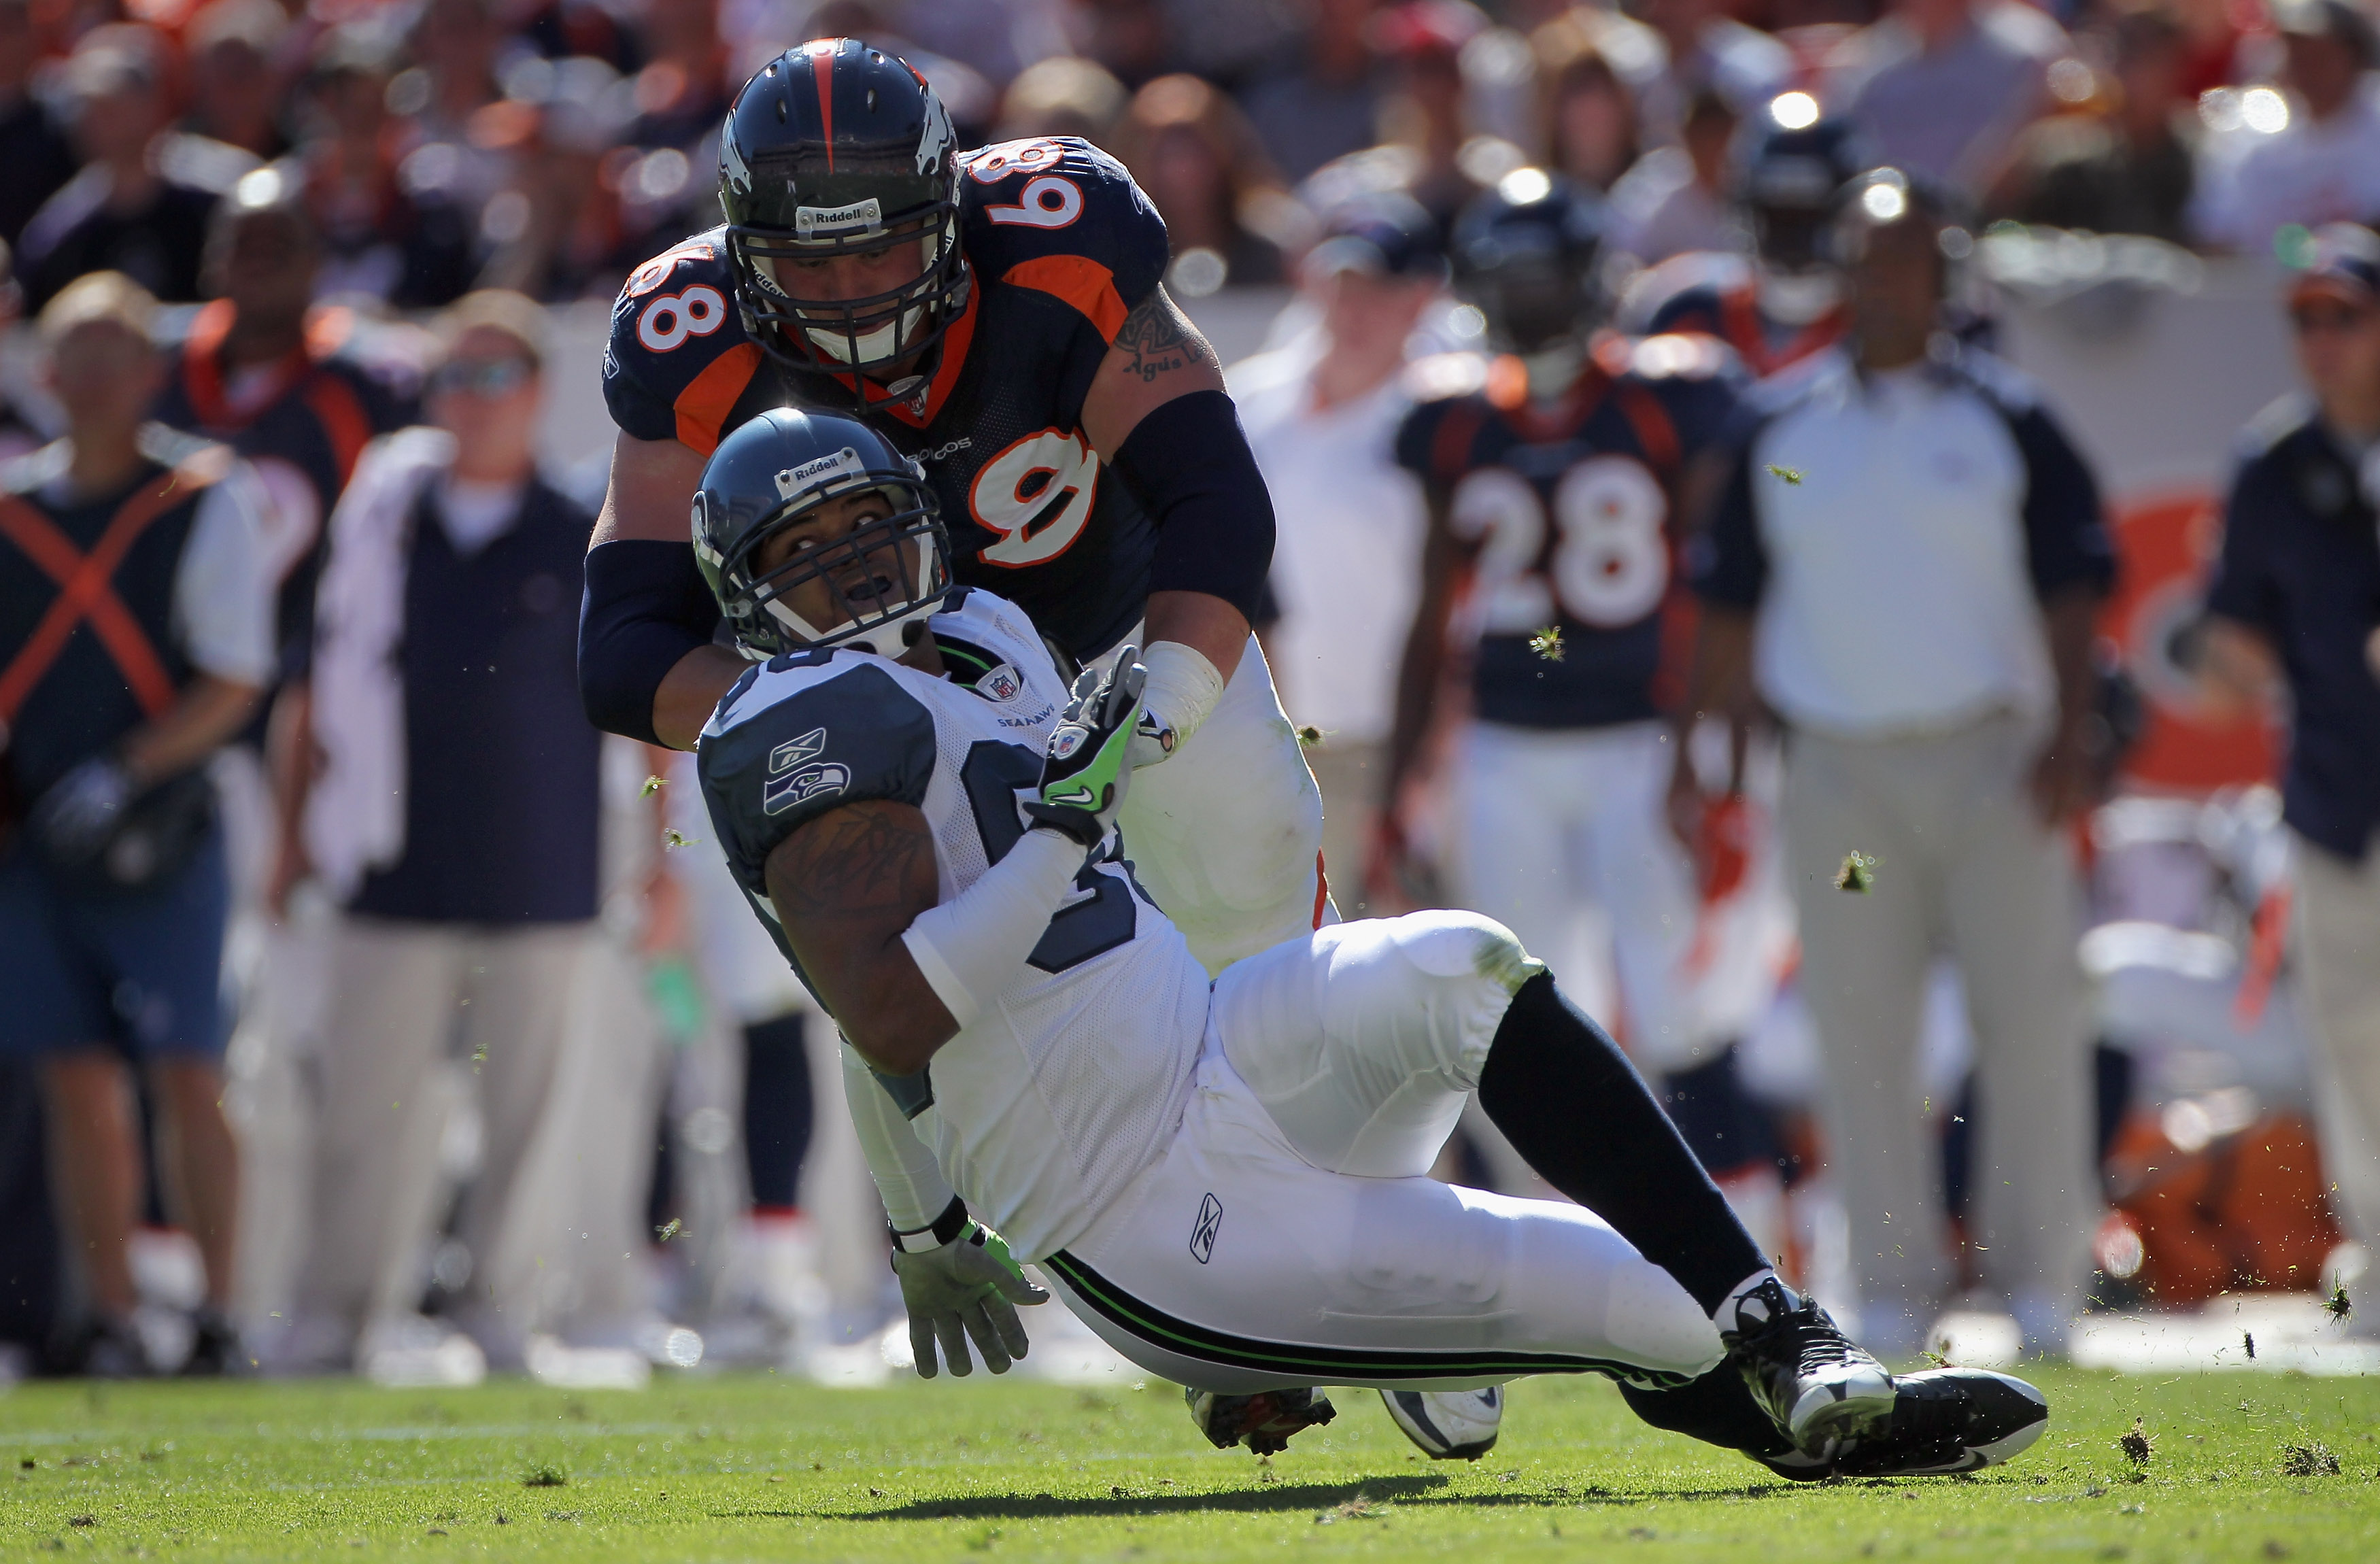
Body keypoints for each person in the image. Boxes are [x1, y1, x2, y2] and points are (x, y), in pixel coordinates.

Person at [685, 400, 2051, 1478]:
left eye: (863, 522)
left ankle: (1794, 1340)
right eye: (798, 553)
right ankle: (1818, 1439)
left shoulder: (982, 633)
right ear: (746, 592)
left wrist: (926, 1223)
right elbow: (888, 1017)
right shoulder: (793, 723)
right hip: (1142, 1212)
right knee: (1639, 1308)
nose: (848, 561)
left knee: (1458, 958)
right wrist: (1058, 834)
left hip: (1213, 1044)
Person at [581, 38, 1325, 983]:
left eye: (881, 249)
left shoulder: (1059, 236)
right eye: (811, 269)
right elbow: (621, 649)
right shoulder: (690, 335)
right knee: (965, 1033)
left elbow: (1213, 494)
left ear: (949, 211)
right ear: (746, 253)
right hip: (884, 707)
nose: (853, 298)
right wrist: (844, 715)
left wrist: (1162, 703)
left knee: (1261, 939)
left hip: (1122, 642)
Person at [1672, 168, 2115, 1357]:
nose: (1885, 281)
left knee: (2030, 1021)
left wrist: (2069, 737)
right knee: (1857, 1028)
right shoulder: (1780, 427)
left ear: (1943, 272)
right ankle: (1891, 1284)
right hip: (1839, 771)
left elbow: (2077, 591)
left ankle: (2038, 1284)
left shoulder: (2009, 419)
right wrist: (1688, 753)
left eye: (1907, 258)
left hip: (1993, 757)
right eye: (1866, 259)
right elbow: (1726, 601)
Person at [1381, 169, 1786, 1247]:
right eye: (1510, 278)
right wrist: (1397, 788)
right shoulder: (1457, 418)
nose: (1529, 297)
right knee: (1519, 1018)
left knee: (1676, 1010)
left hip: (1637, 741)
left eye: (1544, 276)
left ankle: (1738, 1248)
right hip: (1506, 749)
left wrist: (1705, 743)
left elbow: (1712, 589)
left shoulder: (1667, 395)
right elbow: (1432, 617)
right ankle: (1564, 1254)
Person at [277, 292, 605, 1372]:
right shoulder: (382, 520)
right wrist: (292, 837)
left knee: (529, 1116)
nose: (467, 402)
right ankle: (334, 1321)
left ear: (538, 394)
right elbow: (318, 687)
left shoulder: (581, 527)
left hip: (540, 862)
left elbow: (640, 702)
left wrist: (663, 871)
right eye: (450, 379)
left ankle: (503, 1316)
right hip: (392, 860)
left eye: (491, 378)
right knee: (364, 1111)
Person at [0, 272, 277, 1374]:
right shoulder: (13, 509)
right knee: (71, 1075)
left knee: (185, 1068)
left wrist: (126, 771)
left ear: (154, 372)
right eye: (82, 353)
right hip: (34, 839)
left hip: (163, 830)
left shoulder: (201, 494)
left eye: (123, 352)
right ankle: (108, 1315)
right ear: (47, 373)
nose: (102, 375)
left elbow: (235, 677)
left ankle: (218, 1314)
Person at [2192, 224, 2380, 1302]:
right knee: (2354, 1040)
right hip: (2333, 794)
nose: (2321, 340)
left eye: (2344, 316)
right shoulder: (2275, 461)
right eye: (2305, 318)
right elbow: (2235, 639)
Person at [1231, 194, 1446, 917]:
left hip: (1405, 749)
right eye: (1342, 285)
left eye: (1378, 289)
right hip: (1275, 748)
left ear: (1420, 298)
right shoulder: (1252, 402)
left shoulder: (1441, 417)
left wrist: (1433, 753)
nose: (1355, 309)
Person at [1637, 105, 1868, 379]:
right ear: (1747, 212)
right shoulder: (1686, 316)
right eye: (1778, 217)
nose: (1793, 240)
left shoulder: (1880, 332)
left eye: (1808, 217)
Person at [17, 26, 224, 309]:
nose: (95, 124)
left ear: (153, 107)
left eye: (111, 108)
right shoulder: (59, 234)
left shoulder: (217, 201)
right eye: (86, 111)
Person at [1986, 4, 2197, 245]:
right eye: (2120, 51)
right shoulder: (2067, 163)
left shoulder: (2204, 162)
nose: (2125, 70)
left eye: (2143, 56)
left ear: (2178, 67)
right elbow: (1992, 219)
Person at [2188, 0, 2380, 256]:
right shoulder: (2250, 136)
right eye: (2298, 51)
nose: (2309, 66)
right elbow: (2216, 237)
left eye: (2323, 53)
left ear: (2355, 56)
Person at [1826, 0, 2066, 199]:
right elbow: (1849, 155)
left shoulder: (2028, 51)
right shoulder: (1864, 65)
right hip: (1894, 231)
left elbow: (2035, 143)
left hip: (1998, 230)